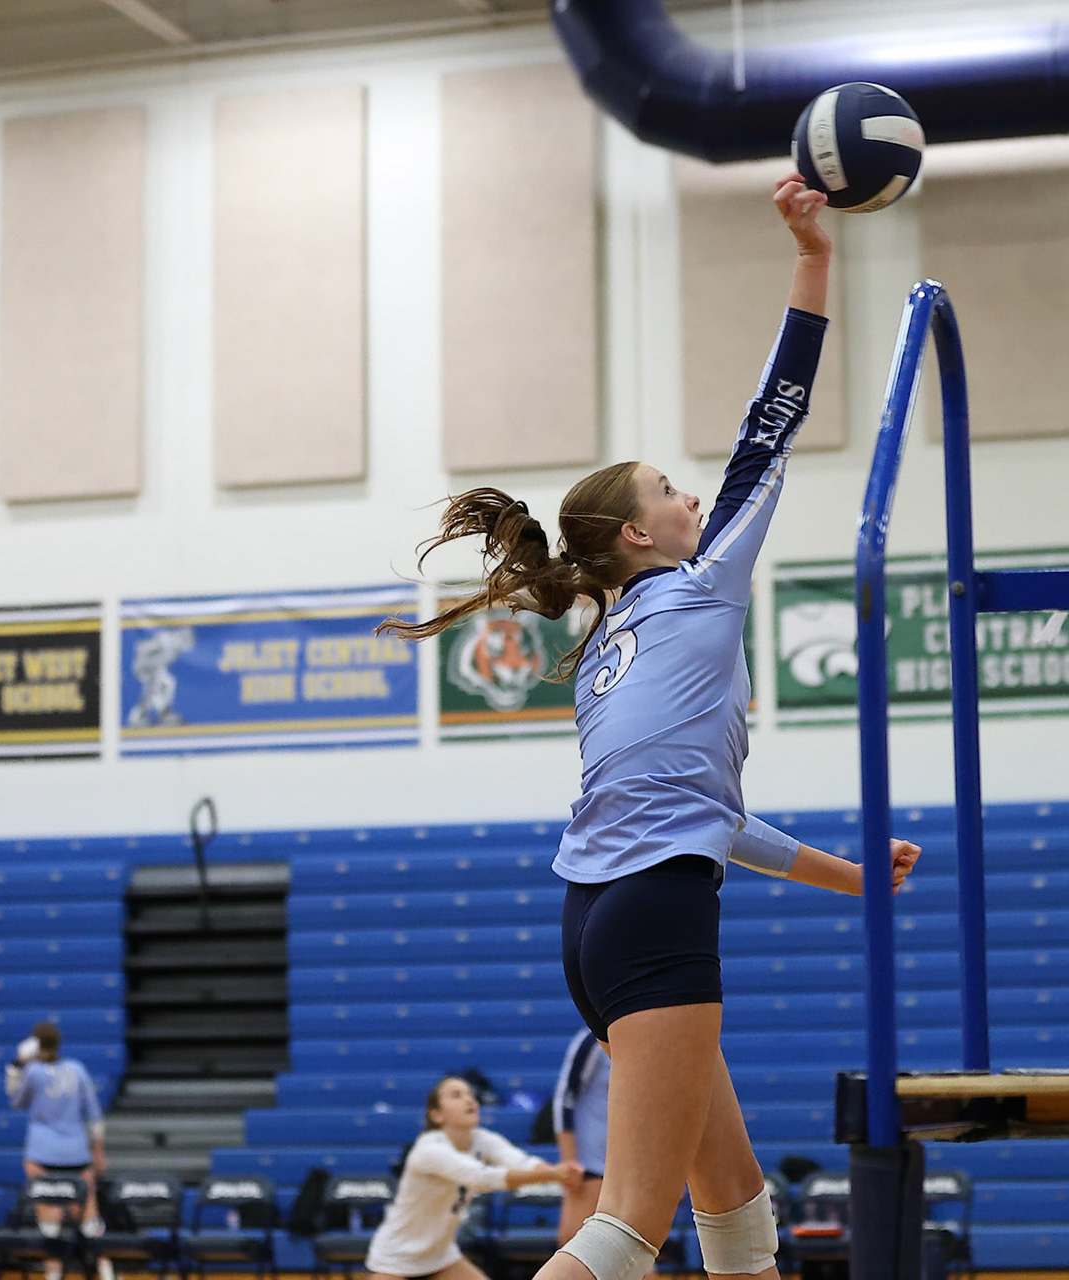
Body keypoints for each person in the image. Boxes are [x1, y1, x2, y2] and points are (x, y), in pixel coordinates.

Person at [383, 175, 921, 1280]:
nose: (695, 498)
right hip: (656, 911)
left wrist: (853, 878)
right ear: (640, 532)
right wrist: (812, 259)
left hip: (597, 922)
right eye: (673, 489)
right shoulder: (700, 585)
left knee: (740, 1213)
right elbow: (772, 423)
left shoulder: (603, 649)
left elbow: (710, 817)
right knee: (628, 1228)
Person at [365, 1075, 583, 1280]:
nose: (469, 1100)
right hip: (396, 1257)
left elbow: (522, 1162)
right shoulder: (428, 1149)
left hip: (440, 1256)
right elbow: (482, 1178)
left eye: (470, 1094)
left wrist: (558, 1173)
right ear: (437, 1115)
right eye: (456, 1095)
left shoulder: (482, 1140)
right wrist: (552, 1174)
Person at [6, 1019, 107, 1273]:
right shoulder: (77, 1069)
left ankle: (53, 1273)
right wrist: (98, 1151)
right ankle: (107, 1272)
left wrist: (17, 1065)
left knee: (49, 1219)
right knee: (90, 1218)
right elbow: (94, 1114)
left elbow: (16, 1101)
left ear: (35, 1044)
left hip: (42, 1153)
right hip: (77, 1153)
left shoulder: (33, 1072)